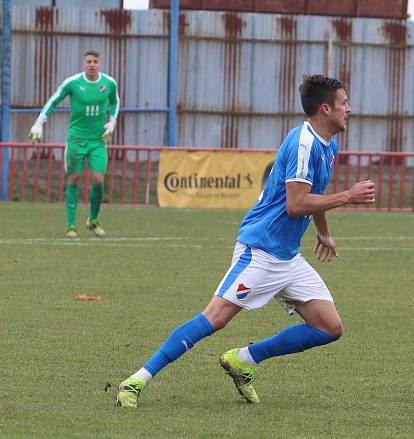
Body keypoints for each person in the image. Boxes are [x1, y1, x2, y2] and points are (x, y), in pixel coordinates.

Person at [115, 74, 375, 408]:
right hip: (261, 249)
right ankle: (136, 380)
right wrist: (349, 197)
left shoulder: (329, 145)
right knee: (215, 318)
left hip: (288, 258)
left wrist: (323, 230)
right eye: (344, 103)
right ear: (326, 108)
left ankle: (244, 359)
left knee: (329, 327)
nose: (349, 109)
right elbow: (296, 204)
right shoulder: (303, 143)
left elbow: (315, 193)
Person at [29, 50, 119, 238]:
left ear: (99, 64)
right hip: (76, 139)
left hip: (97, 140)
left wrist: (112, 122)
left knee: (98, 180)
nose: (92, 64)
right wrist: (39, 124)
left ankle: (93, 221)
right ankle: (71, 226)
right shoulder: (73, 82)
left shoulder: (109, 83)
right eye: (88, 61)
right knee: (74, 179)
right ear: (83, 64)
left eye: (95, 61)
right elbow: (53, 101)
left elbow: (115, 102)